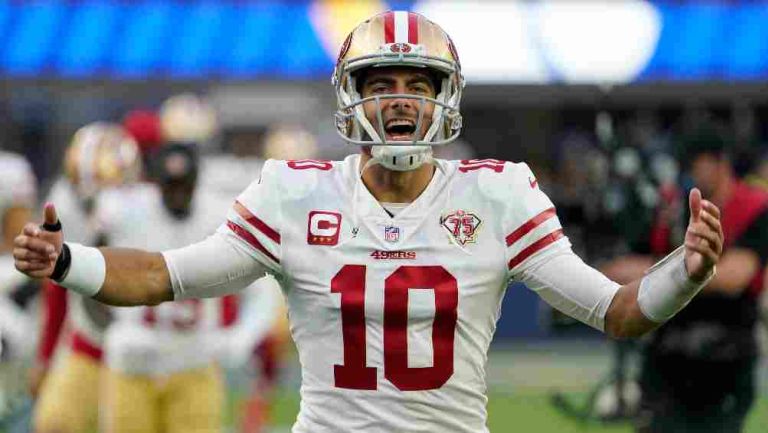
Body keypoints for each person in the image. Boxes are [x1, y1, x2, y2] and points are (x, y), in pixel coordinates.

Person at [13, 11, 724, 433]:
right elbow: (166, 274)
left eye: (419, 84)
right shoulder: (295, 192)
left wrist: (685, 273)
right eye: (381, 83)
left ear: (446, 99)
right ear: (351, 98)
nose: (401, 101)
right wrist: (68, 260)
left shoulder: (499, 194)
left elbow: (618, 311)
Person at [96, 143, 280, 433]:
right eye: (170, 185)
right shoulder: (125, 212)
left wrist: (240, 338)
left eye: (185, 184)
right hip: (133, 363)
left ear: (197, 182)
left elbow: (262, 290)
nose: (178, 192)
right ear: (156, 183)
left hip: (194, 361)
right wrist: (110, 329)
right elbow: (91, 275)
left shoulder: (220, 217)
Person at [608, 131, 768, 433]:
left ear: (719, 162)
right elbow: (627, 265)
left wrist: (673, 273)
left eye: (697, 165)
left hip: (726, 353)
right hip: (668, 355)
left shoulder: (754, 207)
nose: (691, 174)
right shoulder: (671, 208)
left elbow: (735, 277)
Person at [30, 122, 142, 433]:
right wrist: (45, 358)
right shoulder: (63, 205)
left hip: (143, 353)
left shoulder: (149, 210)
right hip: (90, 342)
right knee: (54, 423)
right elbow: (57, 291)